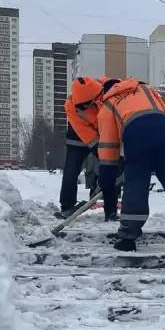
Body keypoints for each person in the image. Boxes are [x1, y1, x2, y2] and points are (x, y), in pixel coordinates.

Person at [97, 78, 165, 252]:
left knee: (136, 186)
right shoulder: (145, 89)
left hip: (137, 138)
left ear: (106, 91)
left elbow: (108, 145)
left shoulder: (108, 104)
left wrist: (107, 172)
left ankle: (128, 238)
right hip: (164, 134)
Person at [59, 75, 119, 221]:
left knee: (110, 169)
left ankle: (111, 210)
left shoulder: (102, 89)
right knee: (71, 170)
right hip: (78, 137)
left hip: (102, 132)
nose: (85, 108)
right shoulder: (71, 106)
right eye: (83, 106)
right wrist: (103, 153)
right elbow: (89, 136)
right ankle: (67, 206)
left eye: (87, 105)